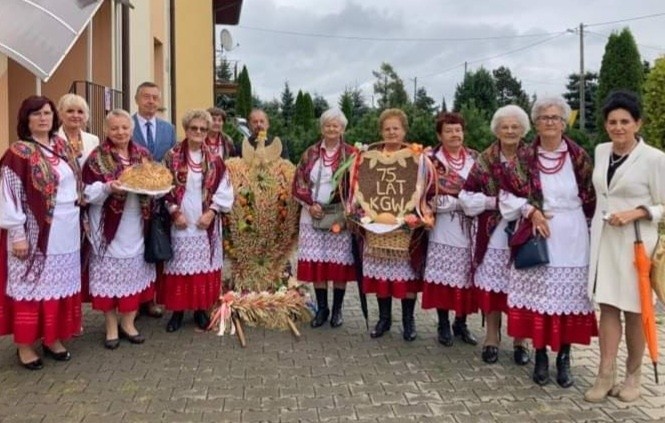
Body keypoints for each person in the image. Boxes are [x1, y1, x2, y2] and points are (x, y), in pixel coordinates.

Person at [501, 96, 597, 388]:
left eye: (555, 118)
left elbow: (592, 195)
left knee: (569, 299)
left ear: (564, 121)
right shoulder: (524, 158)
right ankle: (540, 355)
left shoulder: (579, 156)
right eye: (544, 118)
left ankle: (564, 358)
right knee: (540, 297)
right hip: (538, 233)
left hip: (573, 233)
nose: (550, 123)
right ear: (536, 123)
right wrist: (531, 211)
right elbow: (505, 195)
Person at [584, 90, 665, 403]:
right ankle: (605, 373)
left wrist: (639, 211)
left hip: (636, 242)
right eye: (612, 122)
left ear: (637, 123)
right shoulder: (602, 151)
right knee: (607, 306)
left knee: (635, 310)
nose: (618, 127)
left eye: (625, 121)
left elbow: (663, 204)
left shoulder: (655, 158)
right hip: (604, 240)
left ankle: (634, 375)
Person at [0, 95, 82, 369]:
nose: (43, 118)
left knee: (57, 287)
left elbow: (75, 187)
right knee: (32, 286)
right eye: (36, 114)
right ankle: (25, 346)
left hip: (66, 230)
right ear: (26, 119)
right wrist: (17, 235)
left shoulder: (62, 146)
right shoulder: (18, 153)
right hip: (35, 232)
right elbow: (8, 196)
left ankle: (52, 338)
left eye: (47, 113)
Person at [460, 105, 530, 365]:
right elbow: (466, 195)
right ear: (496, 130)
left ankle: (521, 341)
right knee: (493, 287)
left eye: (515, 127)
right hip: (492, 234)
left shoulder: (532, 157)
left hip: (524, 231)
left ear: (523, 130)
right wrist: (493, 203)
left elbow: (541, 193)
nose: (510, 131)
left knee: (520, 285)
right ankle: (491, 337)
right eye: (505, 127)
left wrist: (523, 206)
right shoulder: (485, 159)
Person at [82, 109, 156, 349]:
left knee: (133, 275)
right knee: (109, 279)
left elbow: (155, 182)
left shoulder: (143, 155)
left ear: (131, 129)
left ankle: (128, 323)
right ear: (106, 130)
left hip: (136, 223)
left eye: (124, 127)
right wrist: (107, 188)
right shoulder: (96, 157)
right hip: (107, 225)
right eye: (114, 128)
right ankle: (111, 327)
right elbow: (84, 192)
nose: (120, 132)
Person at [359, 108, 428, 342]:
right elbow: (364, 187)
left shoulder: (416, 158)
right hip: (377, 225)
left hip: (405, 227)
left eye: (395, 128)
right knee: (381, 276)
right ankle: (384, 319)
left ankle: (408, 321)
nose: (391, 132)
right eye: (387, 129)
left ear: (404, 131)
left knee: (406, 276)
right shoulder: (370, 157)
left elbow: (423, 188)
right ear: (381, 131)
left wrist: (416, 215)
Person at [161, 109, 234, 332]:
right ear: (186, 128)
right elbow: (163, 187)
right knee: (180, 268)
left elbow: (225, 190)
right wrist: (174, 211)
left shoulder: (215, 159)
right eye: (194, 128)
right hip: (181, 222)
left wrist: (212, 212)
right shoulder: (171, 156)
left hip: (205, 223)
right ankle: (177, 312)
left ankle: (201, 310)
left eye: (203, 129)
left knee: (203, 269)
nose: (199, 132)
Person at [292, 108, 357, 328]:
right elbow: (299, 182)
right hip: (313, 214)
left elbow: (359, 184)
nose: (331, 129)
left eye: (335, 125)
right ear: (322, 128)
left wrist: (350, 207)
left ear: (342, 129)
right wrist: (310, 205)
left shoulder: (351, 154)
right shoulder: (310, 153)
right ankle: (322, 309)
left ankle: (337, 310)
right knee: (318, 262)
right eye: (327, 125)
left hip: (340, 215)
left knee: (338, 264)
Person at [421, 112, 478, 347]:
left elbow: (485, 189)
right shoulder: (429, 160)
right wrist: (440, 204)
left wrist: (463, 202)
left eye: (458, 130)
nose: (455, 134)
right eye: (448, 130)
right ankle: (443, 323)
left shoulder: (475, 158)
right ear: (439, 135)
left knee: (465, 275)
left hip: (470, 226)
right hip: (443, 226)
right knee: (443, 277)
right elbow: (422, 193)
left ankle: (461, 323)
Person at [131, 81, 177, 318]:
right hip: (132, 200)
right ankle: (133, 300)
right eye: (146, 97)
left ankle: (151, 299)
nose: (151, 101)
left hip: (159, 199)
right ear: (137, 99)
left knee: (155, 247)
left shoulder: (168, 129)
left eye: (155, 97)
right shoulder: (125, 125)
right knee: (134, 250)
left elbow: (172, 164)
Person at [56, 93, 100, 165]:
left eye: (80, 112)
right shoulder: (52, 139)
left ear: (85, 115)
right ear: (60, 114)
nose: (75, 115)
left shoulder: (93, 140)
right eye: (70, 111)